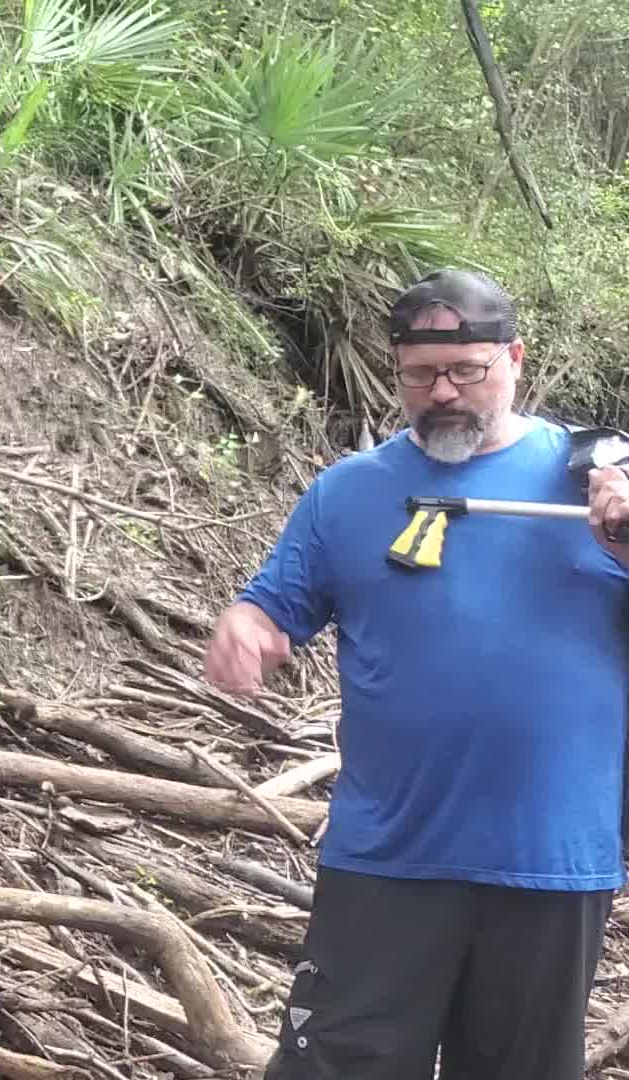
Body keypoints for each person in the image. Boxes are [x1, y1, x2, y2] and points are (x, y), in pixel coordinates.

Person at [202, 268, 629, 1080]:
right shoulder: (349, 494)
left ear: (515, 360)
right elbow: (270, 605)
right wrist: (245, 627)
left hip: (550, 860)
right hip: (386, 859)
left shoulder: (599, 482)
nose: (442, 393)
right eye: (419, 376)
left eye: (466, 370)